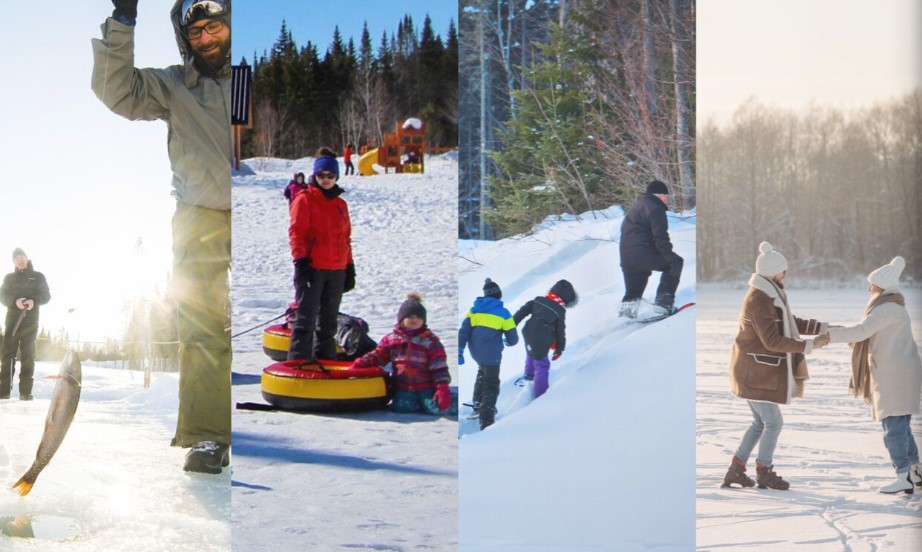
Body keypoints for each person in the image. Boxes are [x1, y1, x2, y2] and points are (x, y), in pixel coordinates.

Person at [92, 0, 232, 474]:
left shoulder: (249, 80)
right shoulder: (175, 85)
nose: (206, 38)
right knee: (202, 327)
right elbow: (117, 91)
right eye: (196, 33)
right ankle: (209, 435)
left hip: (253, 208)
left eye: (215, 27)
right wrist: (123, 21)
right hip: (198, 216)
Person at [722, 242, 828, 490]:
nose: (785, 274)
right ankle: (764, 472)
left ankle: (736, 470)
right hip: (754, 372)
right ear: (773, 273)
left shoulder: (769, 294)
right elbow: (772, 340)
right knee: (773, 423)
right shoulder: (759, 299)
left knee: (760, 423)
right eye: (783, 270)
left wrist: (823, 328)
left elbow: (788, 322)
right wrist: (809, 345)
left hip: (755, 371)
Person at [821, 257, 922, 494]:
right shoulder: (894, 306)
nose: (869, 289)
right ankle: (915, 473)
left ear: (881, 287)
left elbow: (861, 332)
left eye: (872, 285)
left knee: (893, 429)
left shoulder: (885, 309)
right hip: (901, 372)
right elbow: (865, 331)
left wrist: (830, 335)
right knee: (902, 427)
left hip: (893, 375)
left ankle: (903, 476)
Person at [288, 147, 355, 362]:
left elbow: (345, 238)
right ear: (315, 176)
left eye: (330, 176)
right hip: (313, 268)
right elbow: (297, 233)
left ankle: (325, 362)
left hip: (336, 269)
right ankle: (298, 363)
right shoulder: (304, 199)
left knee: (328, 322)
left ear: (336, 177)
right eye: (321, 175)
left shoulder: (340, 204)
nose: (326, 179)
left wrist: (349, 267)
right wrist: (301, 263)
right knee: (305, 319)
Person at [352, 293, 453, 414]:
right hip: (403, 387)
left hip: (426, 386)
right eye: (410, 317)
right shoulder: (391, 339)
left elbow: (439, 366)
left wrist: (442, 387)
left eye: (418, 317)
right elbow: (379, 355)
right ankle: (416, 403)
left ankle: (454, 402)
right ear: (401, 319)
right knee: (403, 409)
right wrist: (362, 362)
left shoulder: (430, 341)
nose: (414, 320)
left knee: (436, 407)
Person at [458, 278, 519, 430]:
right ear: (498, 295)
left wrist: (460, 350)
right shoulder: (504, 313)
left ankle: (478, 405)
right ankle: (487, 419)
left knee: (482, 373)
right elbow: (513, 339)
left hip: (476, 352)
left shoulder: (474, 311)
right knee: (491, 384)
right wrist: (507, 342)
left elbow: (464, 331)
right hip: (491, 354)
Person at [618, 180, 684, 318]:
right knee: (675, 263)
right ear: (658, 194)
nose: (666, 199)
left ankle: (626, 316)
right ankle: (664, 303)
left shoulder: (636, 207)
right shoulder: (655, 208)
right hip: (644, 254)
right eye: (665, 195)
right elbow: (660, 236)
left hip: (627, 259)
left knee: (633, 293)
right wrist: (670, 255)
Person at [513, 279, 578, 399]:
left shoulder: (538, 300)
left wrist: (511, 326)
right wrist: (559, 349)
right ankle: (541, 395)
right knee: (542, 365)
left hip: (527, 332)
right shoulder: (559, 311)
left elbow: (521, 312)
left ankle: (529, 375)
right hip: (541, 339)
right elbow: (560, 332)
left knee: (531, 352)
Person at [0, 249, 50, 401]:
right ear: (14, 262)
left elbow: (46, 296)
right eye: (16, 258)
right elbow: (2, 296)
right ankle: (3, 392)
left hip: (30, 323)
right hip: (12, 323)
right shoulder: (9, 278)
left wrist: (33, 301)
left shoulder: (38, 276)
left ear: (27, 258)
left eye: (21, 256)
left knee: (28, 356)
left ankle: (25, 393)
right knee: (7, 356)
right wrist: (15, 301)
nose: (19, 260)